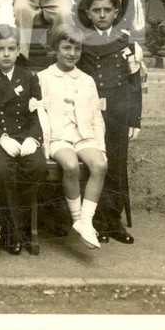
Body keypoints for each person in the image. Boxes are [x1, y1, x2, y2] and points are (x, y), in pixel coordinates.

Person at [77, 0, 144, 245]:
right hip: (91, 113)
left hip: (118, 112)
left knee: (117, 164)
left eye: (107, 10)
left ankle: (114, 221)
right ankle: (98, 221)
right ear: (88, 13)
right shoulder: (81, 42)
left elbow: (134, 83)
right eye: (97, 10)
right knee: (97, 164)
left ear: (116, 13)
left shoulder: (127, 44)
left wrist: (134, 119)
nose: (102, 15)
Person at [36, 23, 107, 250]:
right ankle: (77, 218)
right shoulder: (43, 78)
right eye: (66, 48)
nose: (72, 53)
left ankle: (86, 221)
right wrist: (45, 146)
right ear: (55, 49)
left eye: (77, 49)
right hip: (58, 138)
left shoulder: (87, 80)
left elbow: (96, 117)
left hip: (83, 136)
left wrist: (100, 147)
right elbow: (39, 115)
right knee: (70, 165)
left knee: (100, 165)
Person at [0, 24, 46, 255]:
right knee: (0, 170)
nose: (6, 54)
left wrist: (33, 139)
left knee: (37, 166)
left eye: (11, 48)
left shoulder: (29, 78)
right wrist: (1, 137)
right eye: (0, 49)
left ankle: (25, 226)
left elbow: (37, 114)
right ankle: (11, 230)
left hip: (24, 137)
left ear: (19, 50)